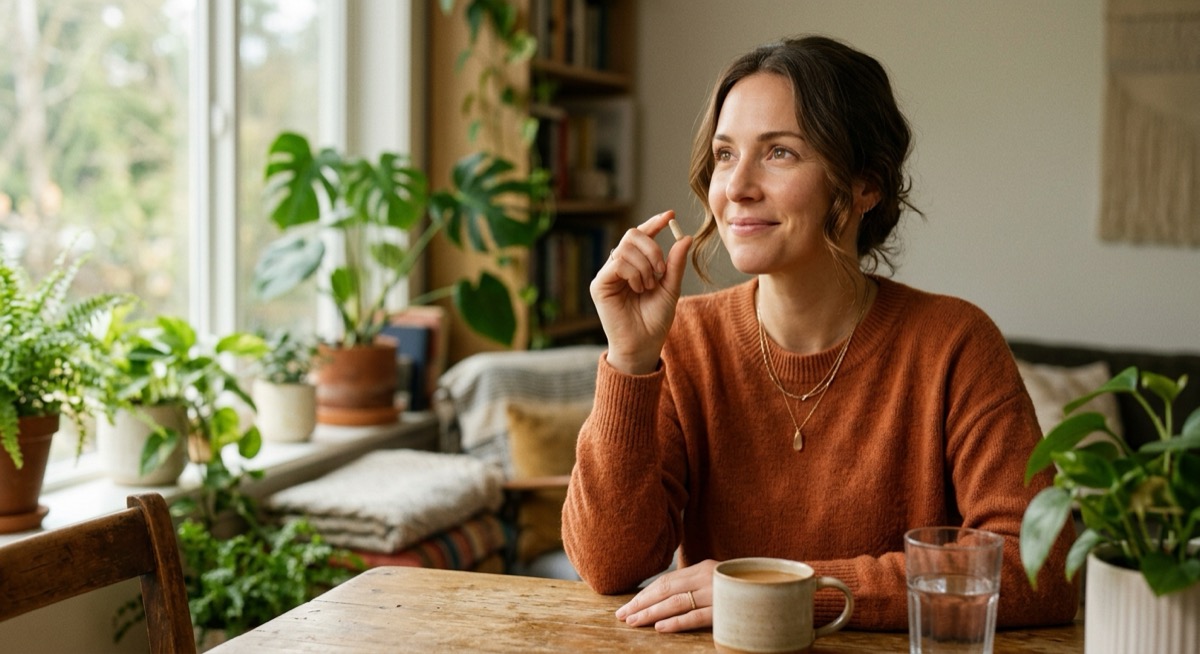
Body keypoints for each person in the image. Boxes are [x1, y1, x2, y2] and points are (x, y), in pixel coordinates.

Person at [561, 35, 1078, 632]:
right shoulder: (684, 341)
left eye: (779, 152)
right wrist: (628, 361)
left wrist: (786, 592)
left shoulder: (954, 343)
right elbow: (609, 565)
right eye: (725, 155)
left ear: (865, 184)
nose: (737, 187)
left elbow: (1040, 570)